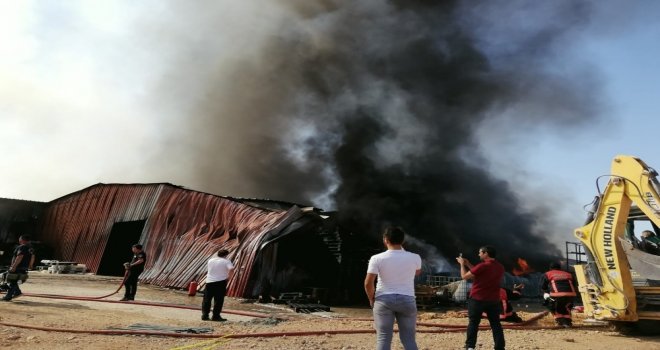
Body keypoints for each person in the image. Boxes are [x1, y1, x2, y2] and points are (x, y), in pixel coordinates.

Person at [364, 226, 422, 350]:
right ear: (403, 241)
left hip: (383, 299)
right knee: (408, 339)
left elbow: (368, 282)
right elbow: (417, 272)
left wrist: (371, 298)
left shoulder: (376, 258)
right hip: (407, 299)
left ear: (385, 240)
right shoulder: (415, 257)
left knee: (383, 338)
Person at [457, 246, 505, 350]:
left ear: (486, 253)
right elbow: (477, 273)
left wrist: (461, 264)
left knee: (473, 323)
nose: (479, 254)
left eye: (480, 252)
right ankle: (500, 347)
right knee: (496, 324)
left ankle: (470, 347)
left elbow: (464, 276)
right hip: (493, 300)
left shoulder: (482, 266)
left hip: (477, 299)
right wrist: (468, 263)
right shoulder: (500, 267)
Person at [541, 261, 576, 327]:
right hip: (571, 295)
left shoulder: (548, 274)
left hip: (557, 295)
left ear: (550, 268)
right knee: (566, 307)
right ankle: (568, 322)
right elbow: (574, 285)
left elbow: (543, 286)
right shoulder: (568, 274)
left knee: (552, 306)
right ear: (560, 268)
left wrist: (546, 293)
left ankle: (560, 321)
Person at [202, 249, 234, 321]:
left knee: (207, 299)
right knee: (218, 300)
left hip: (209, 281)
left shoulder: (210, 260)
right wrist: (228, 278)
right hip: (220, 282)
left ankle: (205, 315)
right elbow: (231, 269)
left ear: (218, 254)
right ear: (226, 255)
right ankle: (216, 316)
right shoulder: (226, 261)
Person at [3, 235, 34, 301]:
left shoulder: (22, 247)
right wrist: (30, 265)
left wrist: (14, 266)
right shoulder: (30, 248)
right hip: (24, 267)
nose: (19, 240)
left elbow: (19, 257)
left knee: (12, 280)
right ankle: (17, 292)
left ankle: (8, 296)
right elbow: (33, 257)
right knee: (14, 280)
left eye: (20, 239)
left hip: (18, 266)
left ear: (23, 240)